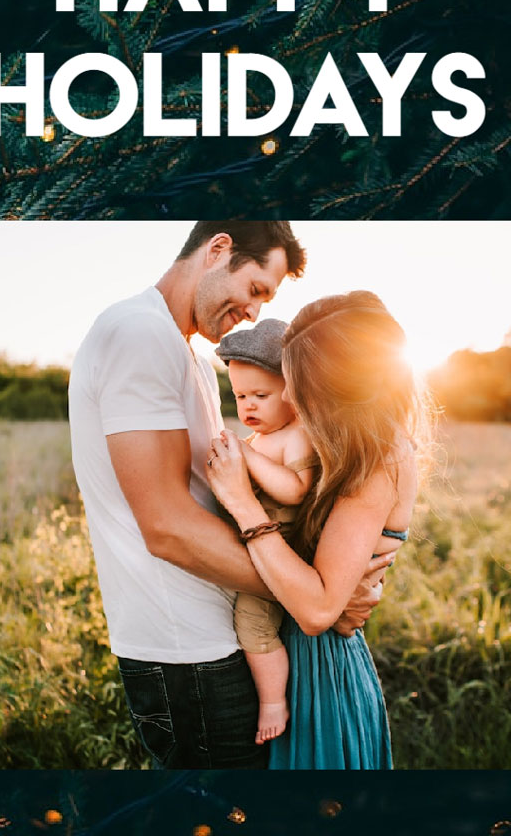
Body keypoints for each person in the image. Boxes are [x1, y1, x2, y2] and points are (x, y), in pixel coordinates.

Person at [68, 224, 390, 769]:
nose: (255, 311)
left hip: (221, 638)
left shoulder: (188, 353)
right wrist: (316, 597)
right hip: (189, 653)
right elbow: (166, 527)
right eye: (257, 289)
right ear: (218, 250)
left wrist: (323, 589)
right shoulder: (138, 334)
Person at [206, 291, 427, 769]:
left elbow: (318, 608)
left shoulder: (378, 459)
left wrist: (244, 505)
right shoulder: (343, 448)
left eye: (300, 384)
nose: (290, 397)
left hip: (321, 673)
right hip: (298, 659)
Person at [215, 318, 316, 745]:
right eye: (240, 396)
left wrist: (247, 457)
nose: (249, 407)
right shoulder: (262, 437)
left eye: (261, 395)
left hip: (280, 554)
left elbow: (295, 490)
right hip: (255, 545)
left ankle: (273, 701)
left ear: (293, 393)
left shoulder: (297, 436)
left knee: (252, 624)